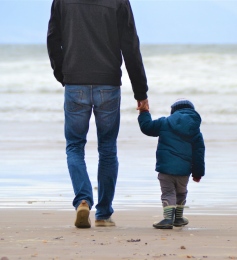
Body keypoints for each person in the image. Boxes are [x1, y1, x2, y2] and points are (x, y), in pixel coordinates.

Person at [47, 0, 149, 228]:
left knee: (75, 146)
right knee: (108, 148)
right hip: (108, 84)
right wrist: (140, 91)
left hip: (75, 83)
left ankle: (83, 199)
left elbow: (53, 40)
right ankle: (103, 214)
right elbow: (130, 45)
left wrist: (63, 74)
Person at [137, 98, 205, 229]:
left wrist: (144, 112)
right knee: (181, 193)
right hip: (184, 171)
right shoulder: (195, 130)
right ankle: (178, 218)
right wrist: (198, 173)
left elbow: (147, 127)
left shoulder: (165, 123)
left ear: (173, 112)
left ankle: (168, 219)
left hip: (166, 169)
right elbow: (199, 153)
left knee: (168, 193)